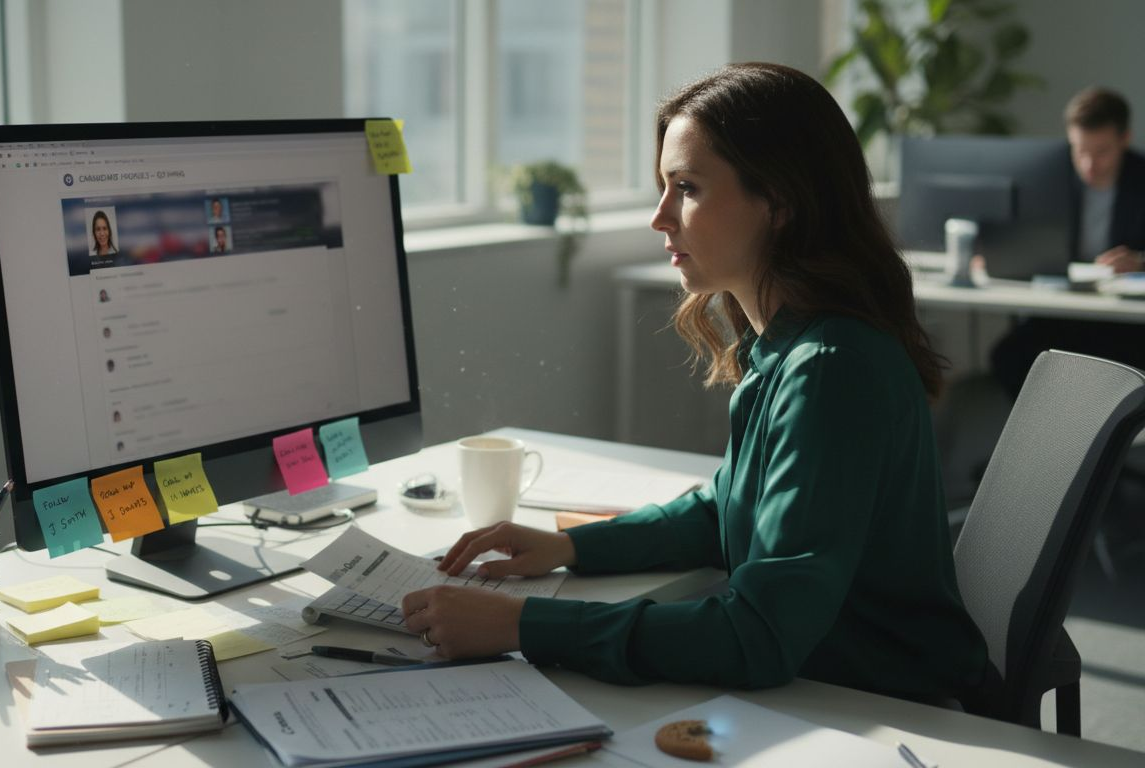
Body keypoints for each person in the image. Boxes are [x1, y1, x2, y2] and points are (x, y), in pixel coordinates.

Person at [401, 62, 988, 704]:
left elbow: (757, 637)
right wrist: (568, 545)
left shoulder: (830, 368)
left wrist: (520, 624)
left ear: (782, 201)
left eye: (687, 187)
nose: (660, 217)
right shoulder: (788, 345)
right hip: (827, 682)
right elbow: (722, 509)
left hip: (883, 708)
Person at [989, 87, 1145, 399]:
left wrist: (1140, 261)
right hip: (1064, 310)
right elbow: (1024, 238)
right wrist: (998, 253)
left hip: (1124, 321)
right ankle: (1050, 435)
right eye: (1080, 151)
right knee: (1009, 356)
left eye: (1102, 152)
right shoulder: (1050, 177)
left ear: (1124, 139)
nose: (1089, 164)